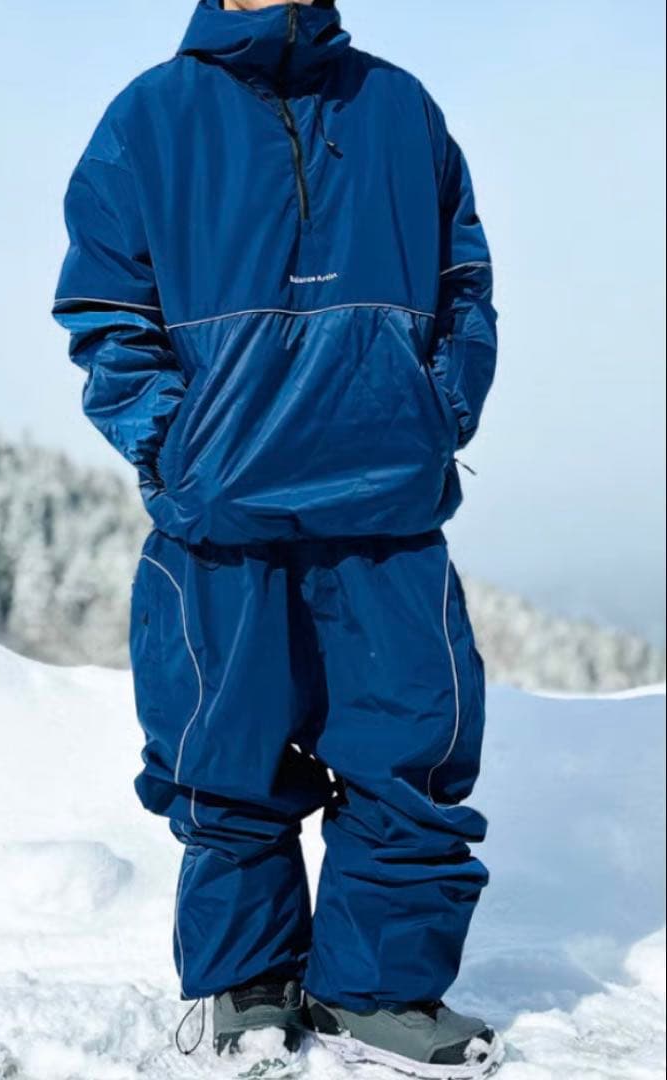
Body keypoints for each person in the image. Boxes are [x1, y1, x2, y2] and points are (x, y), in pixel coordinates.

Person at [53, 0, 500, 1075]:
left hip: (388, 509)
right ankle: (249, 982)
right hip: (222, 518)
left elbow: (464, 285)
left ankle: (377, 990)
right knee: (224, 759)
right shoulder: (150, 116)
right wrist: (175, 445)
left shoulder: (398, 106)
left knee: (411, 752)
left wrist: (434, 414)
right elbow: (105, 312)